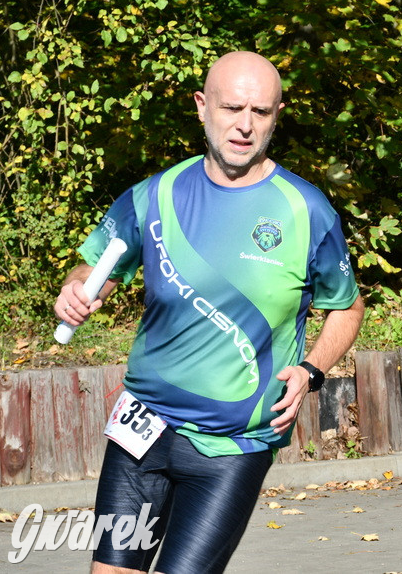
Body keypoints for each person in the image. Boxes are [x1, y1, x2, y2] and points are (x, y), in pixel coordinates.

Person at [54, 51, 365, 573]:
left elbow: (347, 306)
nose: (245, 125)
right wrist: (76, 291)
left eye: (260, 112)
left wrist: (312, 370)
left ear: (276, 115)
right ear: (202, 107)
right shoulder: (153, 195)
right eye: (232, 107)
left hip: (233, 447)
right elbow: (93, 270)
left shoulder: (305, 210)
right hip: (142, 430)